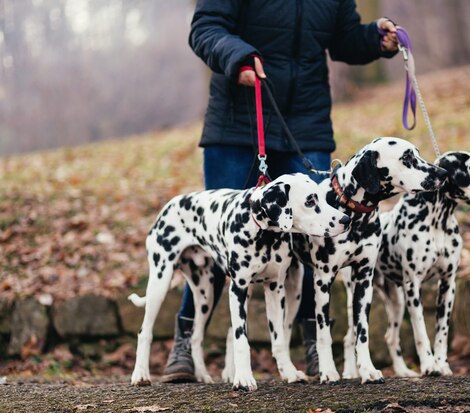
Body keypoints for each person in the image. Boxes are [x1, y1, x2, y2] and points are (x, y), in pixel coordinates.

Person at [162, 0, 399, 383]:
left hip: (305, 127)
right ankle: (185, 342)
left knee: (318, 234)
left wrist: (375, 40)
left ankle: (313, 342)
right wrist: (237, 56)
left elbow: (342, 40)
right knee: (220, 239)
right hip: (238, 124)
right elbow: (205, 27)